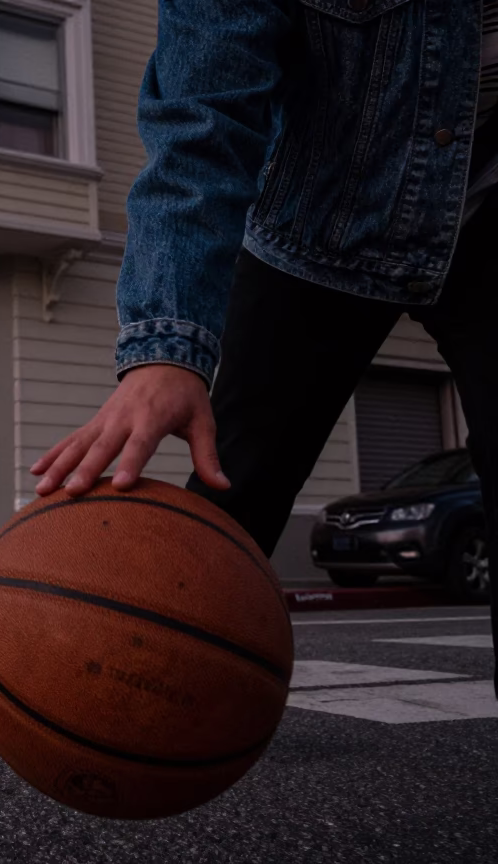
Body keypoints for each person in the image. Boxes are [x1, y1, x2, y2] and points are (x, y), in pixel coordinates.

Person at [31, 2, 497, 696]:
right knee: (229, 497)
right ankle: (134, 705)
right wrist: (167, 348)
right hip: (318, 221)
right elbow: (203, 123)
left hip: (487, 213)